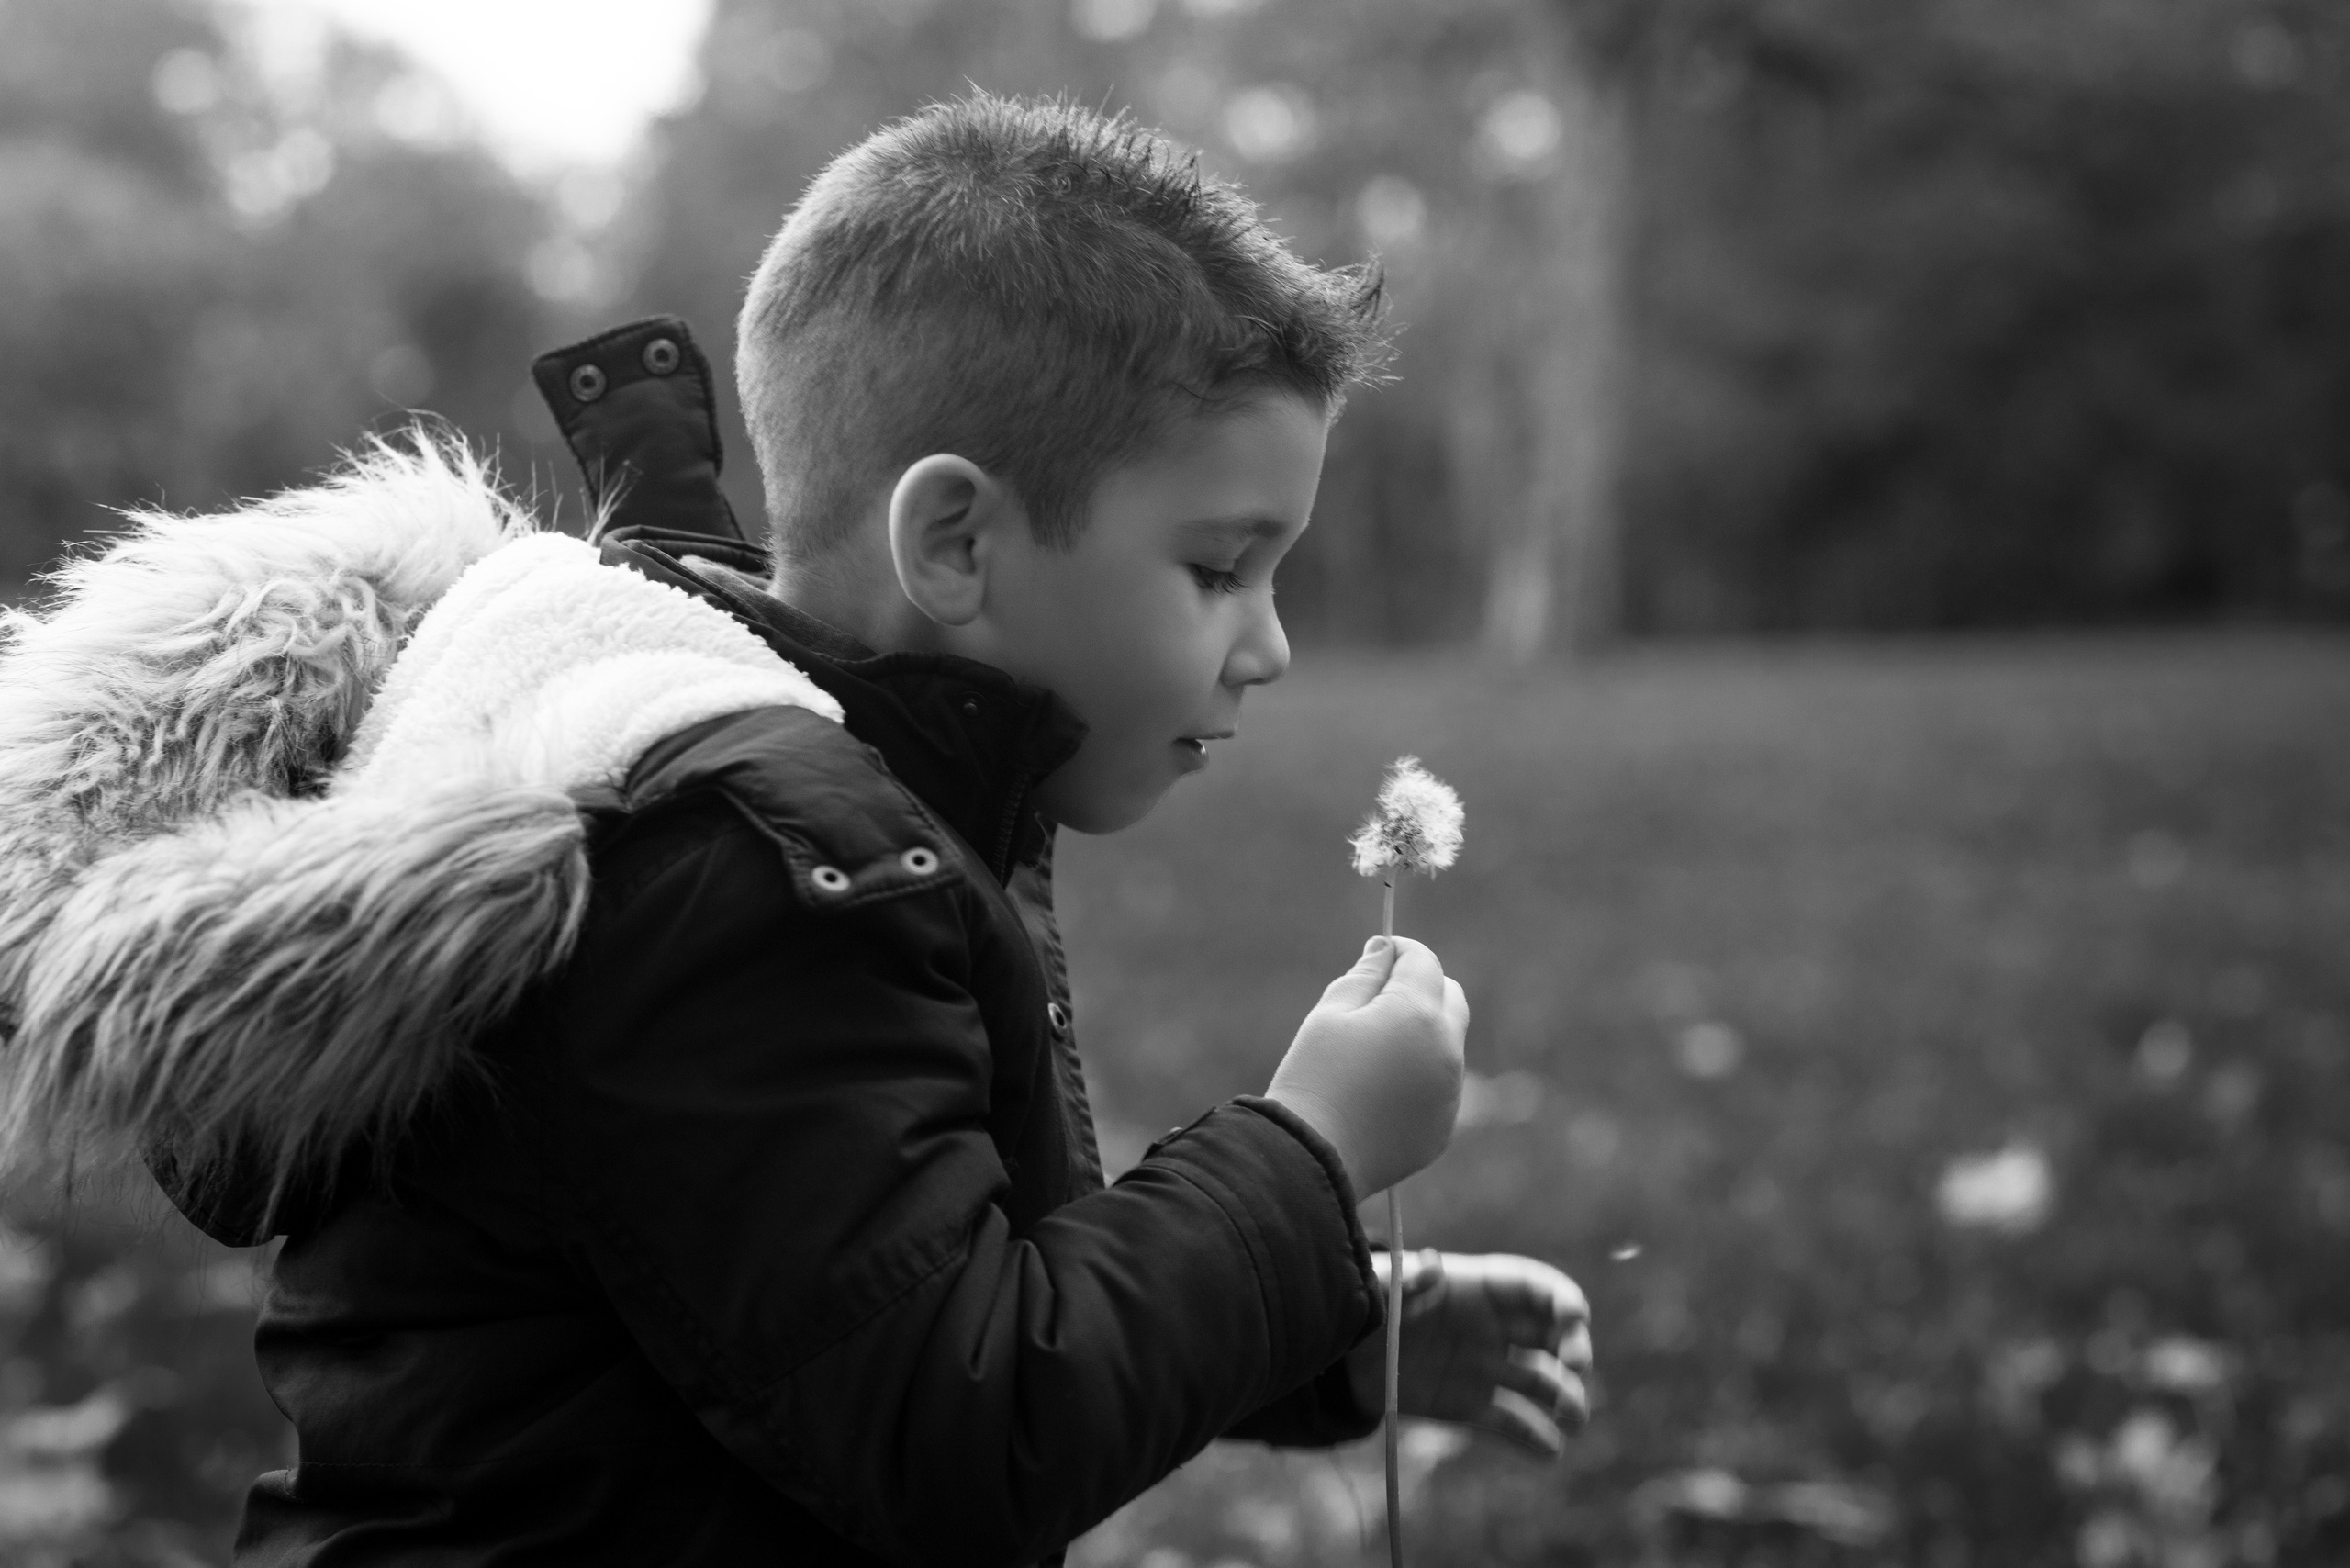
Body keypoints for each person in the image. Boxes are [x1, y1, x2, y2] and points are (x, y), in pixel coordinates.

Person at [0, 95, 1589, 1565]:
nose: (1271, 642)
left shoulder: (807, 799)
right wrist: (1303, 1164)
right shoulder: (750, 870)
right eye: (1219, 568)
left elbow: (878, 1291)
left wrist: (1319, 1322)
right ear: (955, 541)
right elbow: (954, 1430)